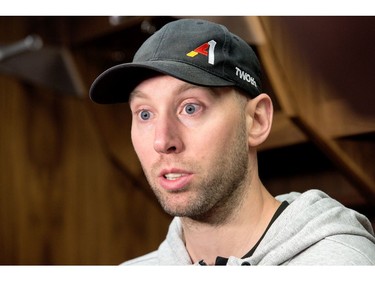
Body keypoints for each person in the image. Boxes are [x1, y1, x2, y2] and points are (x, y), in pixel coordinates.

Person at [89, 18, 375, 265]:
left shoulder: (339, 262)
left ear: (257, 120)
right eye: (145, 113)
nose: (162, 141)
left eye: (190, 108)